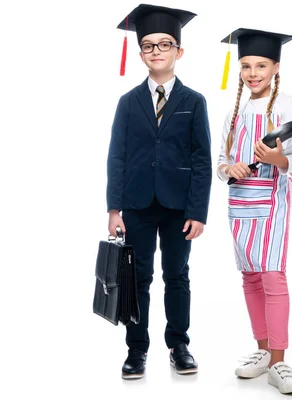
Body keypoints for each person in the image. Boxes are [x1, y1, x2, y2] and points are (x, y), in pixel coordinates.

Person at [106, 4, 212, 380]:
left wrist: (198, 211)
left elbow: (202, 160)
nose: (156, 51)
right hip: (136, 204)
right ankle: (137, 350)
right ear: (140, 54)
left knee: (177, 275)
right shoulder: (128, 102)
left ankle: (178, 344)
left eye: (164, 44)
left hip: (178, 206)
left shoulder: (194, 101)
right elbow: (116, 156)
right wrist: (114, 208)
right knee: (138, 279)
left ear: (178, 51)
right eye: (148, 46)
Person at [216, 28, 292, 394]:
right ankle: (262, 352)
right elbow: (221, 160)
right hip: (239, 201)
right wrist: (229, 170)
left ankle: (280, 361)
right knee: (250, 277)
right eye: (247, 66)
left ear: (275, 67)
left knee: (272, 277)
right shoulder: (234, 112)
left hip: (271, 201)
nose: (253, 73)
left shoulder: (288, 105)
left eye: (261, 66)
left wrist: (276, 158)